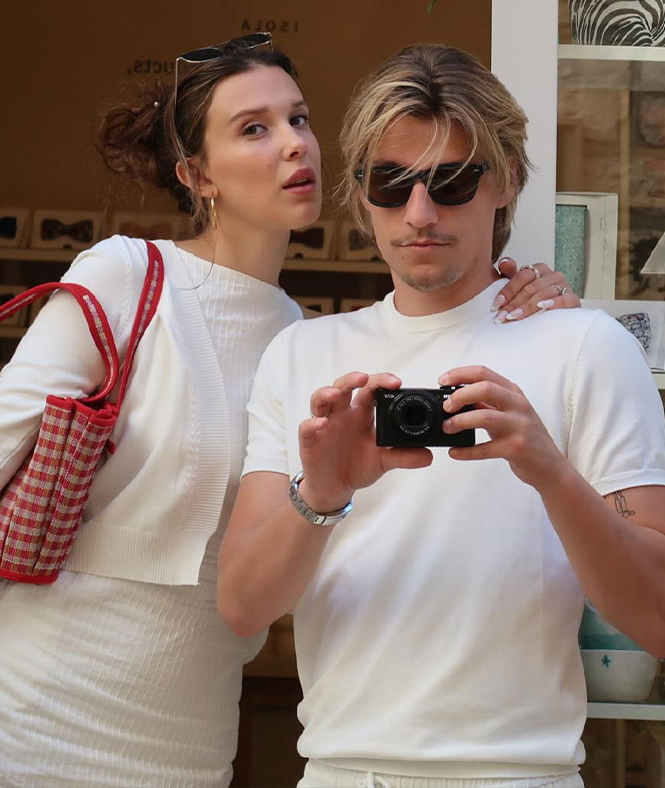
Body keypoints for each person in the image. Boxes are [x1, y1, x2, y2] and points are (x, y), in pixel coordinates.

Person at [0, 34, 573, 788]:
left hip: (187, 742)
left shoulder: (306, 340)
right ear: (197, 174)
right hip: (28, 714)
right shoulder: (128, 275)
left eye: (300, 119)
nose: (293, 146)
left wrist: (529, 296)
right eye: (254, 128)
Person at [218, 43, 665, 788]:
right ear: (361, 193)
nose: (420, 213)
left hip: (519, 774)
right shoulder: (302, 354)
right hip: (340, 770)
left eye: (453, 180)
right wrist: (320, 495)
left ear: (507, 181)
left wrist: (551, 475)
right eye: (391, 183)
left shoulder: (585, 347)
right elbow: (240, 609)